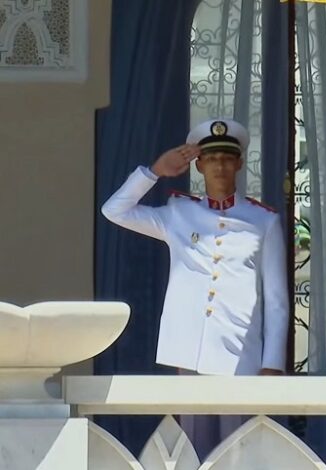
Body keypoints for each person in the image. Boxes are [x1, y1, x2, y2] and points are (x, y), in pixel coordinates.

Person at [102, 118, 289, 458]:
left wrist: (272, 362)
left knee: (241, 452)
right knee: (196, 450)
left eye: (227, 159)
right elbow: (114, 210)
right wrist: (155, 170)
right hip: (190, 351)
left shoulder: (264, 220)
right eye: (212, 159)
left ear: (240, 164)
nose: (219, 166)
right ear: (199, 165)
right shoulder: (179, 213)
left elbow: (276, 300)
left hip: (241, 354)